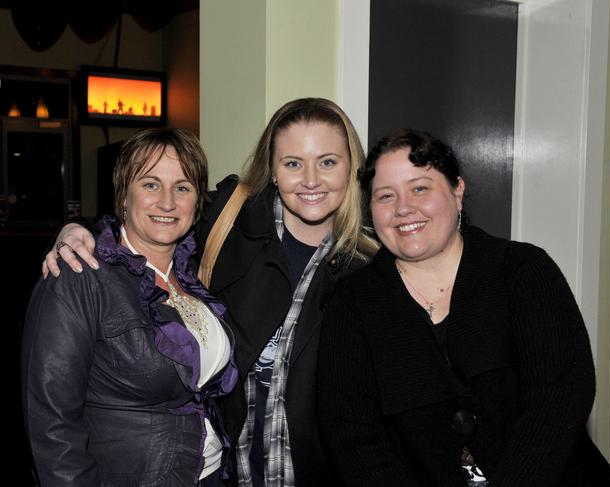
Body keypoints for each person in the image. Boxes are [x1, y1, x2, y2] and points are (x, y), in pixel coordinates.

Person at [41, 98, 379, 486]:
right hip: (224, 472)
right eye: (292, 163)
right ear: (271, 170)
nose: (311, 180)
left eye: (328, 162)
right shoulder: (229, 220)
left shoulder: (368, 267)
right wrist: (75, 228)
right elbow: (153, 219)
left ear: (352, 166)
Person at [317, 129, 610, 487]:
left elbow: (560, 397)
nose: (403, 208)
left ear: (457, 191)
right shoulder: (352, 305)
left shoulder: (523, 271)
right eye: (386, 196)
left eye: (420, 188)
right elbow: (353, 436)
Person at [23, 128, 238, 486]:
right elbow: (50, 423)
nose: (167, 202)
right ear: (124, 194)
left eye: (182, 187)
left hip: (211, 474)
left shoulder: (196, 273)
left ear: (197, 201)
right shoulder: (79, 274)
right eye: (150, 184)